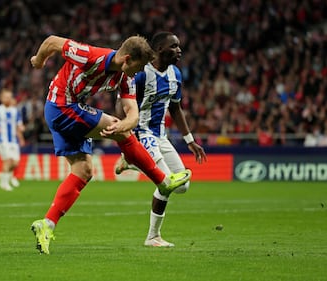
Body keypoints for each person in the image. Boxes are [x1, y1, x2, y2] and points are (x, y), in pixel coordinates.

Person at [29, 34, 191, 254]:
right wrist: (39, 60)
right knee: (121, 133)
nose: (141, 71)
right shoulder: (90, 56)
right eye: (140, 66)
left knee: (84, 170)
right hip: (61, 107)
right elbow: (51, 41)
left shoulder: (125, 77)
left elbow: (133, 114)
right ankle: (163, 181)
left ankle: (46, 225)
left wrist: (125, 124)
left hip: (71, 108)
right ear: (126, 59)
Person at [115, 32, 207, 247]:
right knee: (166, 184)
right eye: (173, 46)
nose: (179, 50)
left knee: (182, 186)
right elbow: (123, 106)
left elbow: (175, 108)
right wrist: (125, 139)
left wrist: (189, 140)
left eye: (179, 46)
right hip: (141, 133)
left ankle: (134, 162)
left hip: (160, 136)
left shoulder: (175, 74)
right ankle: (153, 237)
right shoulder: (141, 74)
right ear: (158, 50)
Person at [0, 89, 25, 191]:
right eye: (6, 97)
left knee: (15, 163)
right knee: (8, 161)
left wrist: (21, 129)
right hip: (2, 140)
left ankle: (3, 175)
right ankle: (4, 183)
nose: (8, 99)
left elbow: (19, 124)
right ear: (1, 98)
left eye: (9, 97)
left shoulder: (15, 111)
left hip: (14, 141)